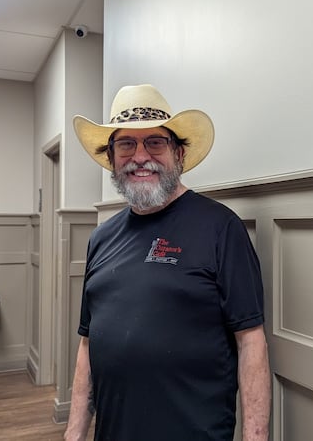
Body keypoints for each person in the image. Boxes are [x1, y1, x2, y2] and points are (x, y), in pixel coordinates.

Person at [64, 84, 271, 441]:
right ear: (111, 158)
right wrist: (73, 433)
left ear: (179, 153)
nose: (140, 156)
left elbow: (251, 342)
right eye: (126, 144)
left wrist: (255, 436)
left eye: (155, 142)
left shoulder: (221, 227)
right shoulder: (101, 238)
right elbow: (88, 345)